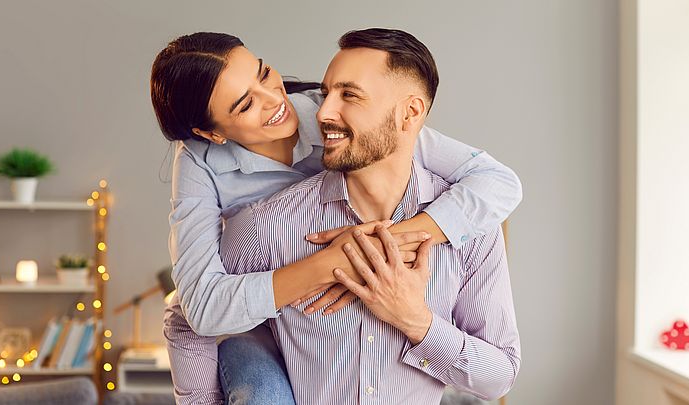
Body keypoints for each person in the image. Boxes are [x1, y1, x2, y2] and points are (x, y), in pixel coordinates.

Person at [150, 31, 522, 404]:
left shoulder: (460, 221)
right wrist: (336, 261)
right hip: (258, 321)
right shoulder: (237, 201)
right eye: (245, 104)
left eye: (264, 74)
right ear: (210, 133)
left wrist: (393, 269)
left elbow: (499, 182)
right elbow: (192, 312)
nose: (280, 101)